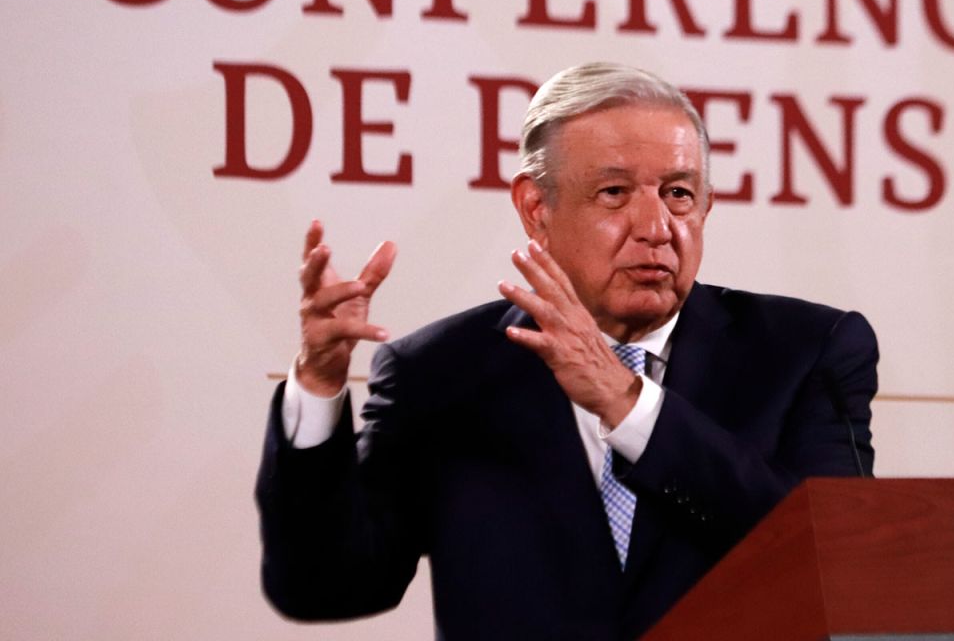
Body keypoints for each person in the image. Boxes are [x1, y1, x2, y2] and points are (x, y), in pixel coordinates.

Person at [255, 62, 877, 640]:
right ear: (536, 209)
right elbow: (325, 586)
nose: (657, 227)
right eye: (614, 193)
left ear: (706, 207)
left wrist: (627, 405)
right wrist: (318, 384)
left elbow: (842, 569)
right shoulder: (442, 374)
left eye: (679, 194)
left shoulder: (807, 352)